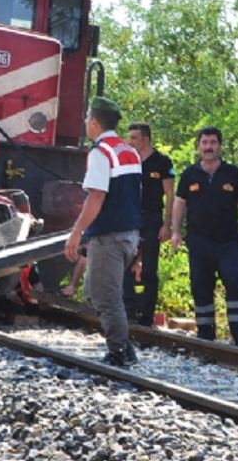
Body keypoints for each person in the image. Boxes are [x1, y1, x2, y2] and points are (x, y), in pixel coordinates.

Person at [63, 97, 142, 367]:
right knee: (96, 292)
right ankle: (123, 344)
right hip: (129, 233)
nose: (85, 123)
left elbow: (96, 197)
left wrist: (76, 232)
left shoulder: (101, 152)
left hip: (109, 236)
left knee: (106, 297)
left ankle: (120, 351)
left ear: (95, 122)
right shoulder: (128, 150)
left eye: (87, 118)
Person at [170, 125, 238, 346]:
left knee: (236, 283)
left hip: (228, 241)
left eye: (213, 143)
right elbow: (180, 204)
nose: (209, 147)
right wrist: (175, 232)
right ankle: (205, 335)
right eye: (205, 143)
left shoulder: (233, 173)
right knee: (200, 285)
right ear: (198, 146)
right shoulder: (190, 174)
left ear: (219, 145)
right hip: (198, 241)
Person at [124, 122, 176, 326]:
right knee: (125, 265)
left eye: (134, 138)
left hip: (153, 220)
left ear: (145, 139)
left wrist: (168, 224)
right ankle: (128, 310)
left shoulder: (162, 162)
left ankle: (147, 315)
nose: (130, 142)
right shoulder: (129, 161)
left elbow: (170, 195)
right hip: (130, 219)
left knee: (149, 270)